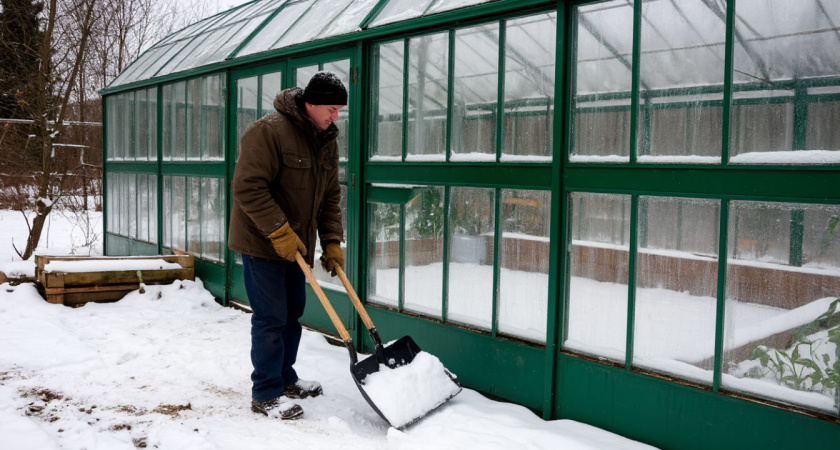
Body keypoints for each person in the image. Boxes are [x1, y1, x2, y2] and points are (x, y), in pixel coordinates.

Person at [228, 72, 347, 420]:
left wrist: (331, 241)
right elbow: (248, 186)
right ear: (310, 104)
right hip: (262, 241)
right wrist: (279, 232)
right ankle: (265, 392)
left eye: (339, 110)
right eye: (331, 109)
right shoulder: (268, 131)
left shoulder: (326, 140)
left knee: (292, 313)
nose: (335, 116)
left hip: (298, 244)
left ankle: (284, 378)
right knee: (271, 317)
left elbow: (330, 195)